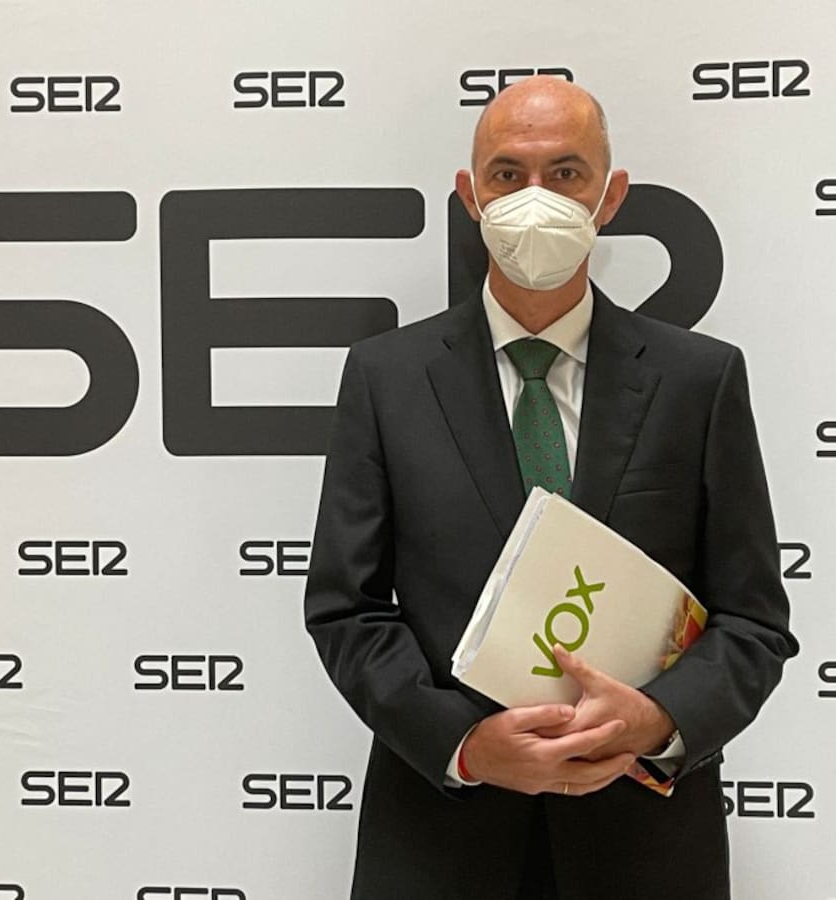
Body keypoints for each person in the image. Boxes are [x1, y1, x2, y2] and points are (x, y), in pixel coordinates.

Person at [303, 76, 798, 900]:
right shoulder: (386, 378)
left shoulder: (698, 380)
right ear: (470, 196)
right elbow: (345, 610)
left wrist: (659, 720)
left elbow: (753, 621)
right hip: (439, 845)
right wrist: (465, 745)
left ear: (611, 195)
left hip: (644, 851)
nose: (535, 197)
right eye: (508, 174)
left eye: (566, 173)